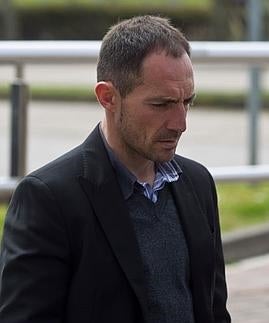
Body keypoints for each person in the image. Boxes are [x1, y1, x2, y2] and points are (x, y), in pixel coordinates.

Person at [0, 15, 230, 323]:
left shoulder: (197, 183)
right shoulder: (49, 199)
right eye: (161, 105)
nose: (180, 123)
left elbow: (214, 311)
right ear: (108, 97)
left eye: (187, 102)